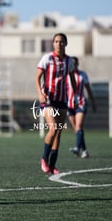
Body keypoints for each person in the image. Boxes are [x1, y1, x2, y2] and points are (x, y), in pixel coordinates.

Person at [35, 33, 77, 175]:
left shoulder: (69, 61)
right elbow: (37, 78)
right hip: (48, 99)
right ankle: (44, 159)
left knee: (58, 132)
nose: (59, 44)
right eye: (56, 41)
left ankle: (52, 166)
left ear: (66, 44)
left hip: (62, 99)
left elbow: (72, 79)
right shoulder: (47, 58)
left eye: (61, 41)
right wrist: (40, 93)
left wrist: (75, 96)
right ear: (53, 43)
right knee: (53, 129)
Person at [67, 57, 97, 158]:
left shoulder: (82, 75)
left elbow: (88, 89)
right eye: (72, 64)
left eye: (75, 64)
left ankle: (77, 148)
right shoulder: (66, 76)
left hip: (80, 104)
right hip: (69, 105)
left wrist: (93, 103)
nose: (73, 65)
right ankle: (84, 150)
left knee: (79, 126)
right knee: (76, 129)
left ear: (78, 64)